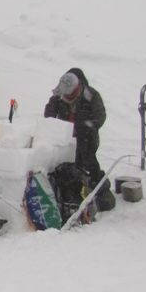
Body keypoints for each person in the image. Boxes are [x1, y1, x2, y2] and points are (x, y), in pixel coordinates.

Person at [44, 68, 114, 210]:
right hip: (65, 137)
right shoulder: (59, 94)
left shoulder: (90, 95)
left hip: (86, 137)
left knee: (89, 165)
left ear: (78, 87)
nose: (68, 97)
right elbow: (49, 111)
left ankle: (101, 191)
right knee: (67, 167)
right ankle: (72, 191)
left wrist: (89, 126)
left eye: (71, 94)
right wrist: (53, 124)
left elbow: (100, 115)